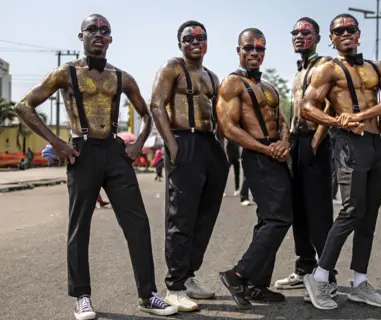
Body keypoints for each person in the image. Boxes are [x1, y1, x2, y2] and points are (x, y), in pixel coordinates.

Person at [13, 14, 178, 319]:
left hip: (114, 151)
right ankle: (82, 296)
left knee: (137, 223)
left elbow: (146, 114)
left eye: (105, 31)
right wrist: (59, 142)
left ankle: (147, 294)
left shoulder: (121, 77)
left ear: (111, 39)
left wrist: (138, 143)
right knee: (80, 227)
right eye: (93, 30)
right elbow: (24, 106)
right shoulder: (66, 73)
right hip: (82, 151)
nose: (99, 34)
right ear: (82, 36)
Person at [300, 13, 381, 310]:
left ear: (359, 34)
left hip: (376, 144)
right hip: (349, 145)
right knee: (352, 210)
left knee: (369, 215)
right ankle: (319, 277)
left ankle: (359, 283)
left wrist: (358, 116)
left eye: (351, 29)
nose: (345, 33)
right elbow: (307, 107)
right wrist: (339, 122)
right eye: (338, 30)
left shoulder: (376, 66)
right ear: (331, 38)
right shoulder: (327, 69)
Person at [149, 20, 229, 312]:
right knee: (181, 217)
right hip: (184, 141)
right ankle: (175, 286)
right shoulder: (173, 67)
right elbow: (156, 104)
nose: (195, 41)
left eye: (201, 37)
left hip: (210, 146)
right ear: (180, 43)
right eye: (188, 38)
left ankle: (189, 275)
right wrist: (171, 145)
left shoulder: (211, 76)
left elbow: (221, 116)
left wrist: (222, 151)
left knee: (205, 216)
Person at [216, 28, 293, 309]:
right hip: (258, 156)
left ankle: (257, 286)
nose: (254, 53)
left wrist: (284, 141)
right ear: (239, 50)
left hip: (276, 155)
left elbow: (283, 119)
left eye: (259, 49)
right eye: (248, 48)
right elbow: (228, 127)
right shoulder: (231, 84)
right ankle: (237, 274)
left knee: (266, 219)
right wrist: (264, 148)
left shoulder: (270, 87)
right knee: (279, 218)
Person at [274, 17, 337, 299]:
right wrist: (288, 138)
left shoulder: (325, 66)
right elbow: (297, 108)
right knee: (297, 208)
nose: (299, 37)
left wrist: (315, 140)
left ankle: (328, 275)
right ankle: (304, 268)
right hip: (297, 142)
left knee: (318, 211)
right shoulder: (299, 71)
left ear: (318, 37)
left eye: (305, 32)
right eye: (295, 33)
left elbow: (331, 106)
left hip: (315, 142)